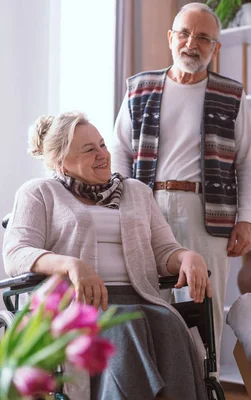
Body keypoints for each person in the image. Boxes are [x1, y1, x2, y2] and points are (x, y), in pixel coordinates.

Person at [3, 112, 211, 400]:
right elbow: (16, 253)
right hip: (81, 304)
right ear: (60, 161)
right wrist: (70, 265)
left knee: (169, 323)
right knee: (126, 325)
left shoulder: (136, 191)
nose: (102, 154)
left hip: (142, 298)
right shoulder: (39, 192)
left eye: (102, 145)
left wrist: (187, 257)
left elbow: (164, 251)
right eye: (89, 149)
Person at [108, 2, 251, 368]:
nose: (193, 43)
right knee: (149, 299)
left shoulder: (231, 94)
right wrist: (122, 205)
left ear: (215, 48)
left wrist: (246, 219)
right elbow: (119, 151)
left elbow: (247, 162)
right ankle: (155, 385)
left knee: (204, 306)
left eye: (204, 38)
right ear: (171, 38)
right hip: (147, 205)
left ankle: (206, 384)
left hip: (208, 213)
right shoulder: (139, 88)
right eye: (185, 34)